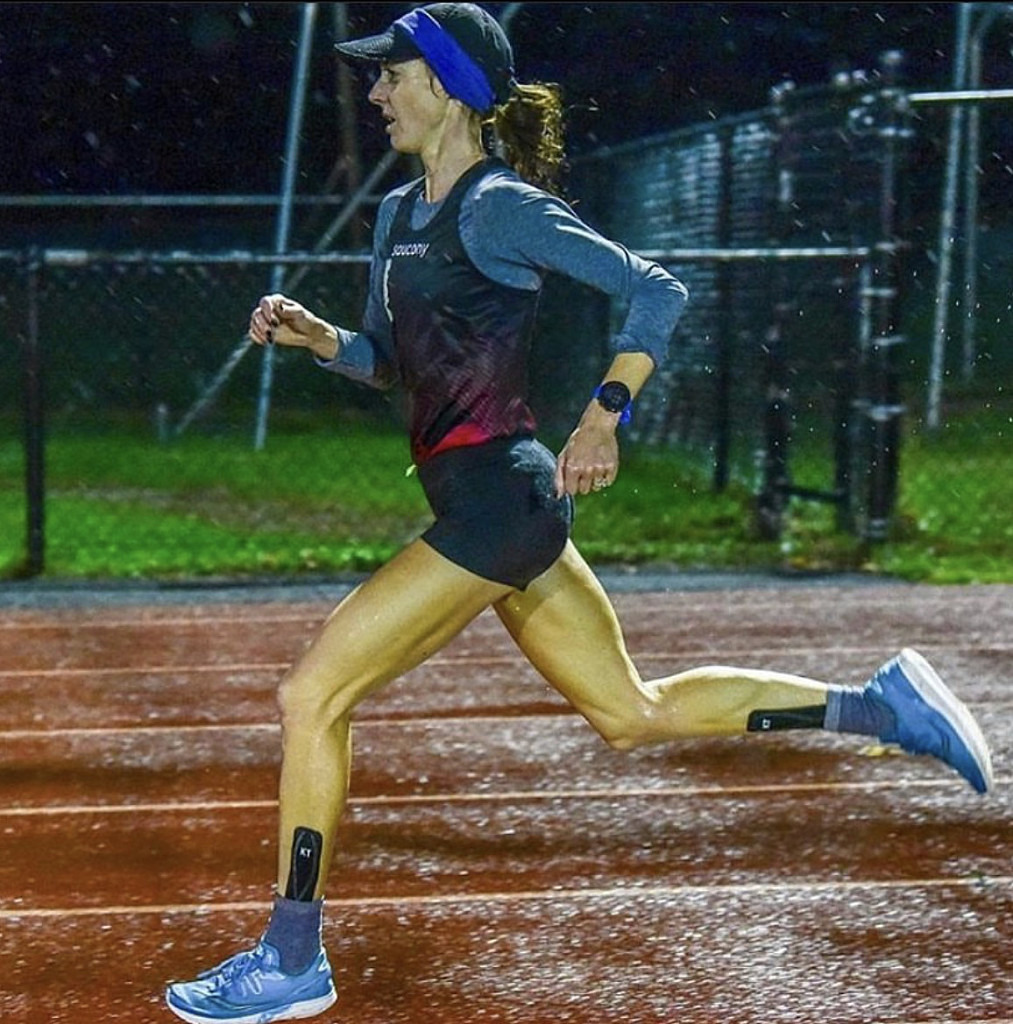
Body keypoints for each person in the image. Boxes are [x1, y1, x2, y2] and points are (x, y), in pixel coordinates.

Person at [165, 5, 993, 1022]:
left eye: (394, 75)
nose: (376, 94)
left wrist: (603, 416)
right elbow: (391, 364)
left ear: (450, 88)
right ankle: (881, 706)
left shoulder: (501, 207)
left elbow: (655, 290)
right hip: (493, 504)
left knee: (311, 696)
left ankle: (292, 957)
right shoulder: (395, 215)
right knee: (629, 713)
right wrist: (320, 338)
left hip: (499, 505)